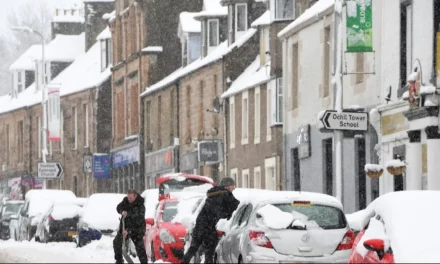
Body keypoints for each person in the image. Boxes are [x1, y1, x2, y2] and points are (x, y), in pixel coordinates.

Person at [182, 177, 240, 263]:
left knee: (193, 248)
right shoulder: (226, 194)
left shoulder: (213, 194)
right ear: (227, 186)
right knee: (210, 252)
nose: (234, 188)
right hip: (210, 227)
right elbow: (236, 207)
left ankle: (183, 262)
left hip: (200, 225)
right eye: (232, 186)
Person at [113, 189, 149, 264]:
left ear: (135, 196)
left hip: (137, 230)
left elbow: (137, 221)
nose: (129, 199)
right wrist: (121, 211)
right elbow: (118, 207)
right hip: (124, 228)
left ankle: (144, 262)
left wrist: (128, 231)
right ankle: (119, 260)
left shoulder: (140, 205)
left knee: (140, 248)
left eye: (130, 198)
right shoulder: (125, 201)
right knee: (117, 242)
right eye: (128, 197)